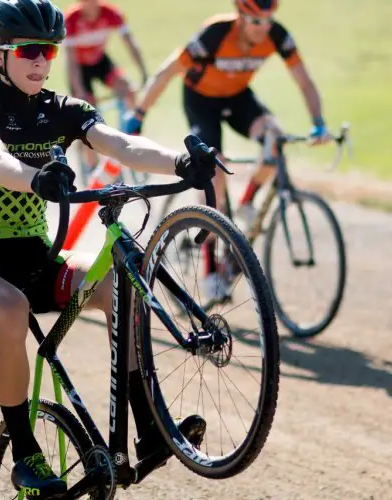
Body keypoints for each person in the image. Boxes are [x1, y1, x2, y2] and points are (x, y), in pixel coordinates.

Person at [0, 0, 212, 497]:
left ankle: (149, 427)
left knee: (118, 284)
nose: (40, 61)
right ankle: (26, 452)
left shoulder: (60, 108)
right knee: (10, 308)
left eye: (48, 50)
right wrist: (36, 179)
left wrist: (179, 162)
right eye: (28, 50)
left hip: (40, 259)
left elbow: (121, 145)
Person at [124, 0, 332, 300]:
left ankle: (247, 202)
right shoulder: (215, 33)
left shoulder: (277, 36)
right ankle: (208, 267)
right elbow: (168, 71)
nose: (264, 28)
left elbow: (304, 80)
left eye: (269, 20)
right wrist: (140, 113)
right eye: (257, 22)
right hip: (201, 101)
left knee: (275, 138)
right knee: (214, 171)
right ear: (241, 17)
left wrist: (318, 121)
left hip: (238, 99)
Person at [64, 0, 148, 171]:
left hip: (100, 61)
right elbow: (71, 62)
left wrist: (143, 72)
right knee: (86, 112)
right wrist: (80, 92)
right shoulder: (71, 19)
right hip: (80, 68)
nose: (90, 5)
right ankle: (92, 165)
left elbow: (130, 42)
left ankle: (133, 138)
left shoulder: (110, 12)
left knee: (128, 90)